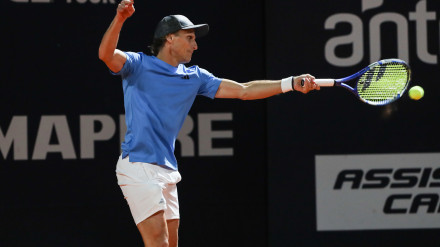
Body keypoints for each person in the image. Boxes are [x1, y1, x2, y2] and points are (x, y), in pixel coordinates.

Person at [98, 0, 320, 246]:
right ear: (170, 38)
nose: (195, 44)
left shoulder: (195, 77)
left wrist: (289, 83)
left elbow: (244, 90)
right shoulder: (138, 65)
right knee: (158, 243)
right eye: (190, 37)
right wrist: (120, 18)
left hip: (166, 169)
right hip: (138, 165)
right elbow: (106, 55)